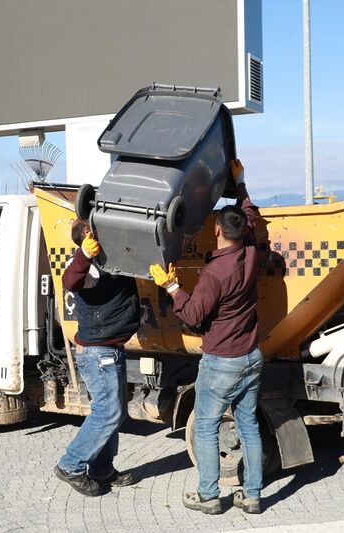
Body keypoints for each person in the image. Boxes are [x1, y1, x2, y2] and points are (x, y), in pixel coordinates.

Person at [150, 160, 264, 515]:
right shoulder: (251, 252)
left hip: (223, 361)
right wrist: (240, 182)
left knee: (206, 424)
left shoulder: (215, 272)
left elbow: (193, 315)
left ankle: (209, 495)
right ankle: (253, 495)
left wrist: (171, 287)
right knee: (248, 424)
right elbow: (250, 215)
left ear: (217, 230)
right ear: (242, 231)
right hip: (251, 355)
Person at [55, 219, 140, 496]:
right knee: (108, 412)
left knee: (114, 412)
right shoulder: (86, 264)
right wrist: (84, 255)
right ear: (87, 240)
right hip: (97, 351)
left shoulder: (113, 257)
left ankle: (102, 468)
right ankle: (70, 465)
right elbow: (70, 281)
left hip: (109, 348)